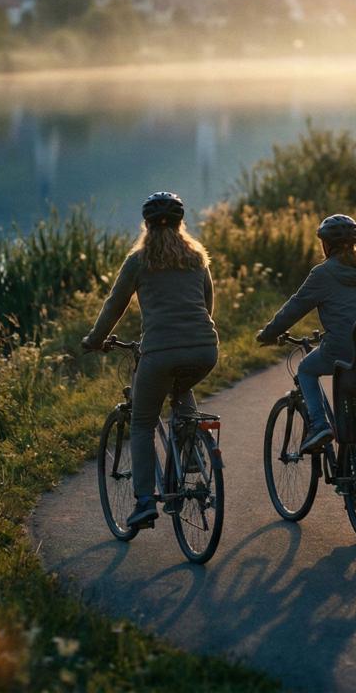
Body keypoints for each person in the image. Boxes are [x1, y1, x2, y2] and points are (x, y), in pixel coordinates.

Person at [82, 192, 218, 530]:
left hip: (159, 353)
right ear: (180, 223)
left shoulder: (138, 261)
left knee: (142, 423)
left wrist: (95, 340)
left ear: (146, 225)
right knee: (181, 385)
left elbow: (116, 304)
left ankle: (144, 502)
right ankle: (191, 454)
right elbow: (207, 302)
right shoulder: (197, 258)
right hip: (205, 350)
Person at [256, 214, 356, 454]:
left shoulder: (323, 273)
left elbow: (296, 306)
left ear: (325, 244)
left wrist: (269, 333)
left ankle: (320, 424)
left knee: (306, 369)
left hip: (340, 349)